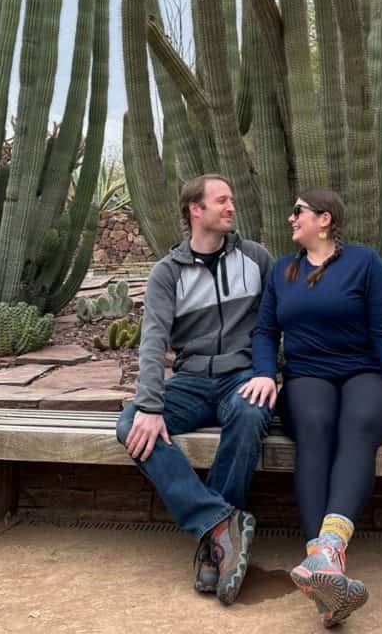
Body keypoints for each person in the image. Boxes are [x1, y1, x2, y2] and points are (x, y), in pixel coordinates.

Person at [240, 188, 382, 627]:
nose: (291, 218)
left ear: (324, 219)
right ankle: (324, 572)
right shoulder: (282, 270)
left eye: (299, 211)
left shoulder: (364, 263)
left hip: (363, 372)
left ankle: (328, 551)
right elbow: (264, 331)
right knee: (314, 424)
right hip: (307, 374)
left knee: (360, 423)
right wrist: (262, 371)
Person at [116, 174, 274, 606]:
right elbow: (152, 341)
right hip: (189, 382)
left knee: (248, 414)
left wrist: (269, 372)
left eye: (232, 200)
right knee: (130, 423)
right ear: (196, 210)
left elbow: (275, 323)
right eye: (221, 200)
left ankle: (213, 549)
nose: (231, 207)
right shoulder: (167, 273)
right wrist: (149, 405)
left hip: (241, 377)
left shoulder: (256, 258)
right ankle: (220, 524)